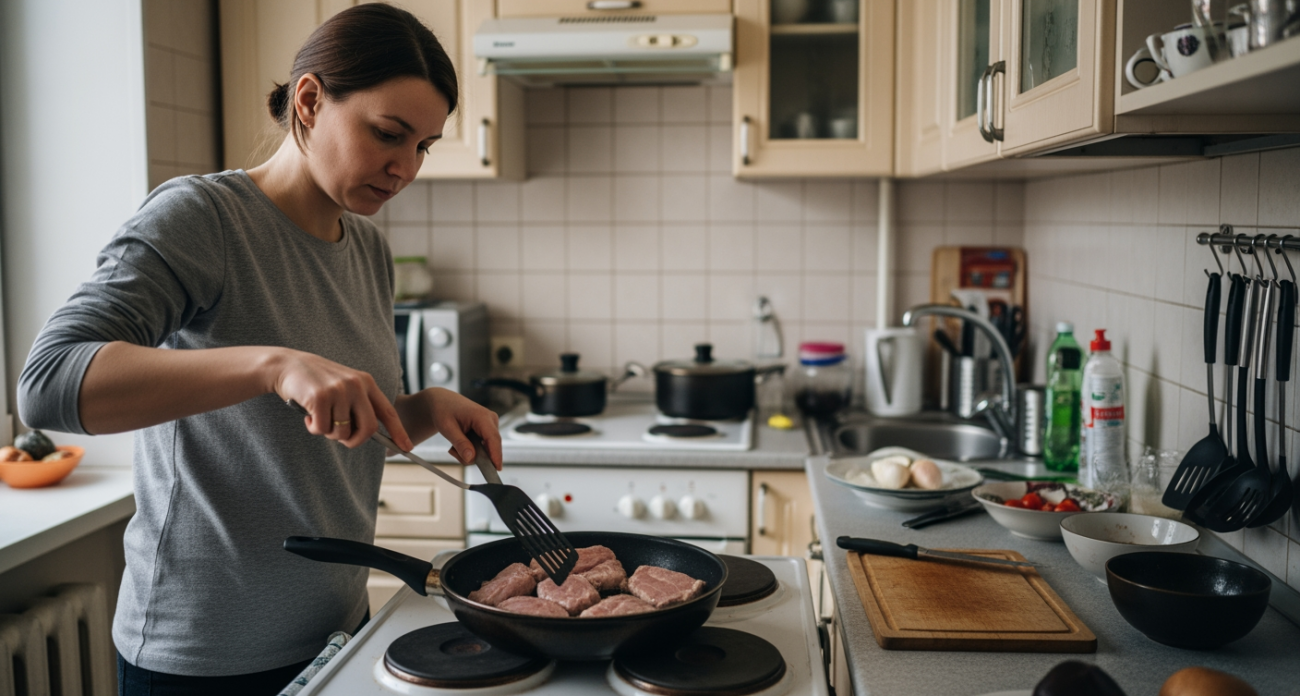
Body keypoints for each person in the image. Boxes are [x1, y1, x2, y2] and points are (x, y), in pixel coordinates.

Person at [17, 5, 498, 694]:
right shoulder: (203, 219)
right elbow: (47, 383)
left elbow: (331, 428)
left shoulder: (366, 247)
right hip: (207, 653)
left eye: (423, 145)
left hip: (334, 629)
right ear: (309, 100)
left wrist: (421, 410)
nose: (405, 168)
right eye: (388, 134)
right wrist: (272, 364)